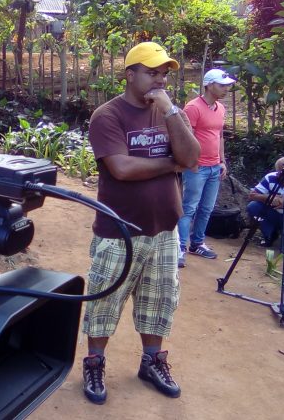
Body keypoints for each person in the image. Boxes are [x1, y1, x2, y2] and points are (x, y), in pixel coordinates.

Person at [81, 42, 200, 404]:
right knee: (105, 299)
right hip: (121, 230)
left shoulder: (168, 113)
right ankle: (95, 362)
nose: (160, 79)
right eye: (151, 72)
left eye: (164, 73)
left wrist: (170, 111)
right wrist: (170, 165)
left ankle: (151, 362)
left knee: (159, 300)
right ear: (129, 73)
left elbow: (192, 157)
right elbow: (122, 167)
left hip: (165, 229)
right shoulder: (108, 116)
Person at [177, 69, 236, 267]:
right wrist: (191, 161)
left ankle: (197, 243)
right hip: (197, 167)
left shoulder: (219, 108)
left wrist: (222, 160)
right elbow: (186, 137)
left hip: (213, 166)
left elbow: (219, 136)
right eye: (222, 85)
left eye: (227, 85)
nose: (226, 89)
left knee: (206, 208)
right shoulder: (193, 108)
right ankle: (180, 247)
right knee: (189, 207)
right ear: (209, 85)